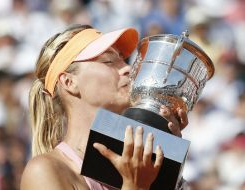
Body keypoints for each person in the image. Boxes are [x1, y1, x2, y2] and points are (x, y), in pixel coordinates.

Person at [20, 24, 188, 190]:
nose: (128, 68)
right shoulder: (44, 171)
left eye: (123, 59)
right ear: (69, 82)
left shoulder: (142, 167)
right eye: (108, 61)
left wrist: (169, 166)